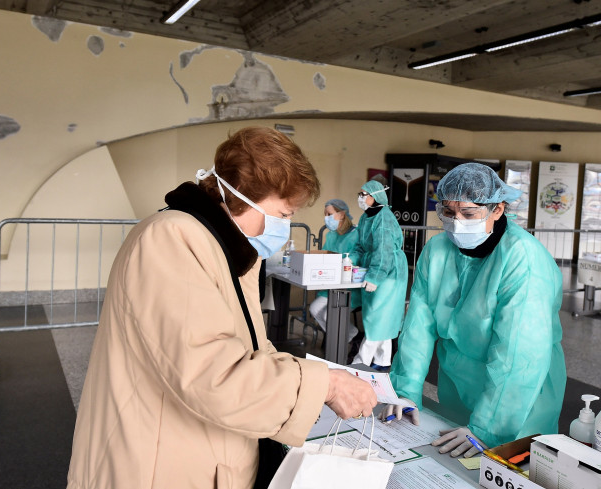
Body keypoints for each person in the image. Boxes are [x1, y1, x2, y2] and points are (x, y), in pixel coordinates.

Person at [67, 127, 377, 489]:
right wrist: (325, 385)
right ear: (243, 197)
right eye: (283, 212)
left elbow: (247, 350)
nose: (285, 225)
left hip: (200, 452)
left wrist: (303, 384)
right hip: (156, 465)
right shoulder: (171, 239)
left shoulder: (226, 249)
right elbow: (214, 375)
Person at [381, 163, 566, 458]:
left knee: (507, 468)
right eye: (448, 213)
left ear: (497, 209)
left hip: (517, 400)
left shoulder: (523, 259)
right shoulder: (438, 249)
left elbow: (517, 353)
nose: (456, 223)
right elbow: (419, 325)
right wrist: (406, 391)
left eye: (468, 214)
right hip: (457, 387)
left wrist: (487, 428)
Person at [348, 180, 408, 370]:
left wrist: (375, 276)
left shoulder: (384, 218)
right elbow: (360, 245)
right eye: (360, 193)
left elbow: (384, 251)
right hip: (374, 268)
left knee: (378, 316)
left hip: (389, 272)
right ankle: (383, 361)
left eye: (364, 194)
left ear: (376, 196)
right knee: (383, 317)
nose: (361, 197)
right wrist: (352, 259)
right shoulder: (367, 217)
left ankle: (360, 362)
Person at [308, 199, 361, 341]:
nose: (326, 218)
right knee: (314, 309)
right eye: (325, 214)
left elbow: (357, 256)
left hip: (350, 286)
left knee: (328, 315)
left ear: (342, 214)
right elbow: (325, 255)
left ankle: (339, 344)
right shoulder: (331, 235)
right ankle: (350, 336)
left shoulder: (356, 234)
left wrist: (345, 262)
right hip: (331, 285)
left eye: (329, 214)